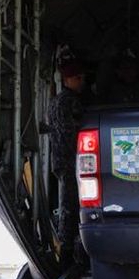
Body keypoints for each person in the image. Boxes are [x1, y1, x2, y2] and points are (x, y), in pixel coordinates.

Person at [47, 58, 86, 262]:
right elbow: (75, 131)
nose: (81, 81)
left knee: (66, 204)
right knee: (73, 206)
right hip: (73, 160)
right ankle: (68, 250)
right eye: (78, 78)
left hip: (60, 160)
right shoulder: (71, 102)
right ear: (68, 79)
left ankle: (65, 248)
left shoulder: (55, 101)